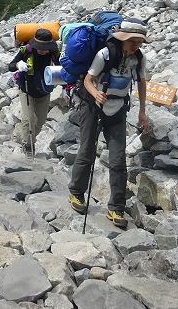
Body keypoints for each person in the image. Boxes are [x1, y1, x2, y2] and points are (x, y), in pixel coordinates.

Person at [67, 18, 150, 228]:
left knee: (118, 158)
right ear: (123, 39)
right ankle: (76, 193)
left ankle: (116, 208)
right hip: (92, 106)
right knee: (87, 149)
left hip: (118, 108)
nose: (135, 47)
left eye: (138, 44)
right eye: (133, 42)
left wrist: (142, 112)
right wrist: (96, 94)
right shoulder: (105, 54)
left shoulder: (138, 59)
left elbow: (141, 83)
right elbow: (88, 79)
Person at [7, 27, 60, 155]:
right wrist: (18, 65)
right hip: (27, 89)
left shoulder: (53, 51)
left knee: (40, 121)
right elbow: (10, 66)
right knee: (28, 119)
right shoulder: (26, 50)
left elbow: (60, 68)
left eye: (45, 48)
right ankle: (28, 146)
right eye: (40, 47)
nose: (42, 50)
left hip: (44, 90)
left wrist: (64, 86)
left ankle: (29, 138)